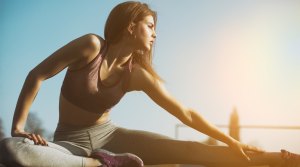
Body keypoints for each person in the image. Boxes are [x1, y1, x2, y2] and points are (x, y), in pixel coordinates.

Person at [0, 1, 299, 167]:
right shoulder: (91, 46)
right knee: (14, 150)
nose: (155, 34)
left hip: (111, 138)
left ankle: (282, 162)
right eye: (150, 26)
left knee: (190, 149)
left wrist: (230, 140)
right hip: (69, 143)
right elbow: (36, 75)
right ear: (131, 26)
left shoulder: (136, 75)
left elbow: (186, 113)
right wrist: (19, 127)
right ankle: (97, 165)